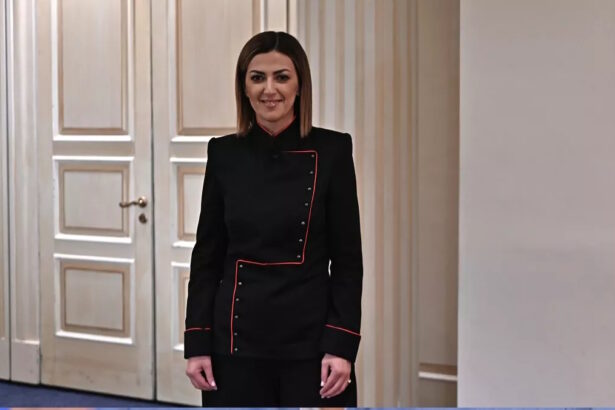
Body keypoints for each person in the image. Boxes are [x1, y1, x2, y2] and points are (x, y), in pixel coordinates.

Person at [184, 31, 363, 407]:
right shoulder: (224, 154)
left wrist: (341, 344)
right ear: (244, 88)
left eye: (281, 77)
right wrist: (197, 342)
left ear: (300, 85)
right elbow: (207, 259)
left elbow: (348, 262)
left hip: (313, 347)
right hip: (235, 344)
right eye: (257, 77)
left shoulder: (332, 151)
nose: (269, 89)